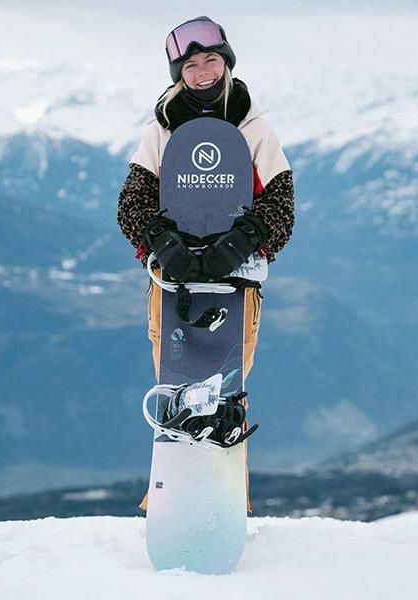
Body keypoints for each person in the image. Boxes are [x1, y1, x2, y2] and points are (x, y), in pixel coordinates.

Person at [117, 16, 294, 511]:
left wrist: (241, 241)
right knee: (177, 381)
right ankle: (170, 499)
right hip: (172, 284)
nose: (202, 72)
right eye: (191, 65)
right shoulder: (161, 129)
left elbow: (281, 204)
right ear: (179, 73)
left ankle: (227, 498)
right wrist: (161, 241)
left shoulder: (254, 128)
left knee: (225, 386)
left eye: (211, 60)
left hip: (235, 284)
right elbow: (132, 202)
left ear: (226, 62)